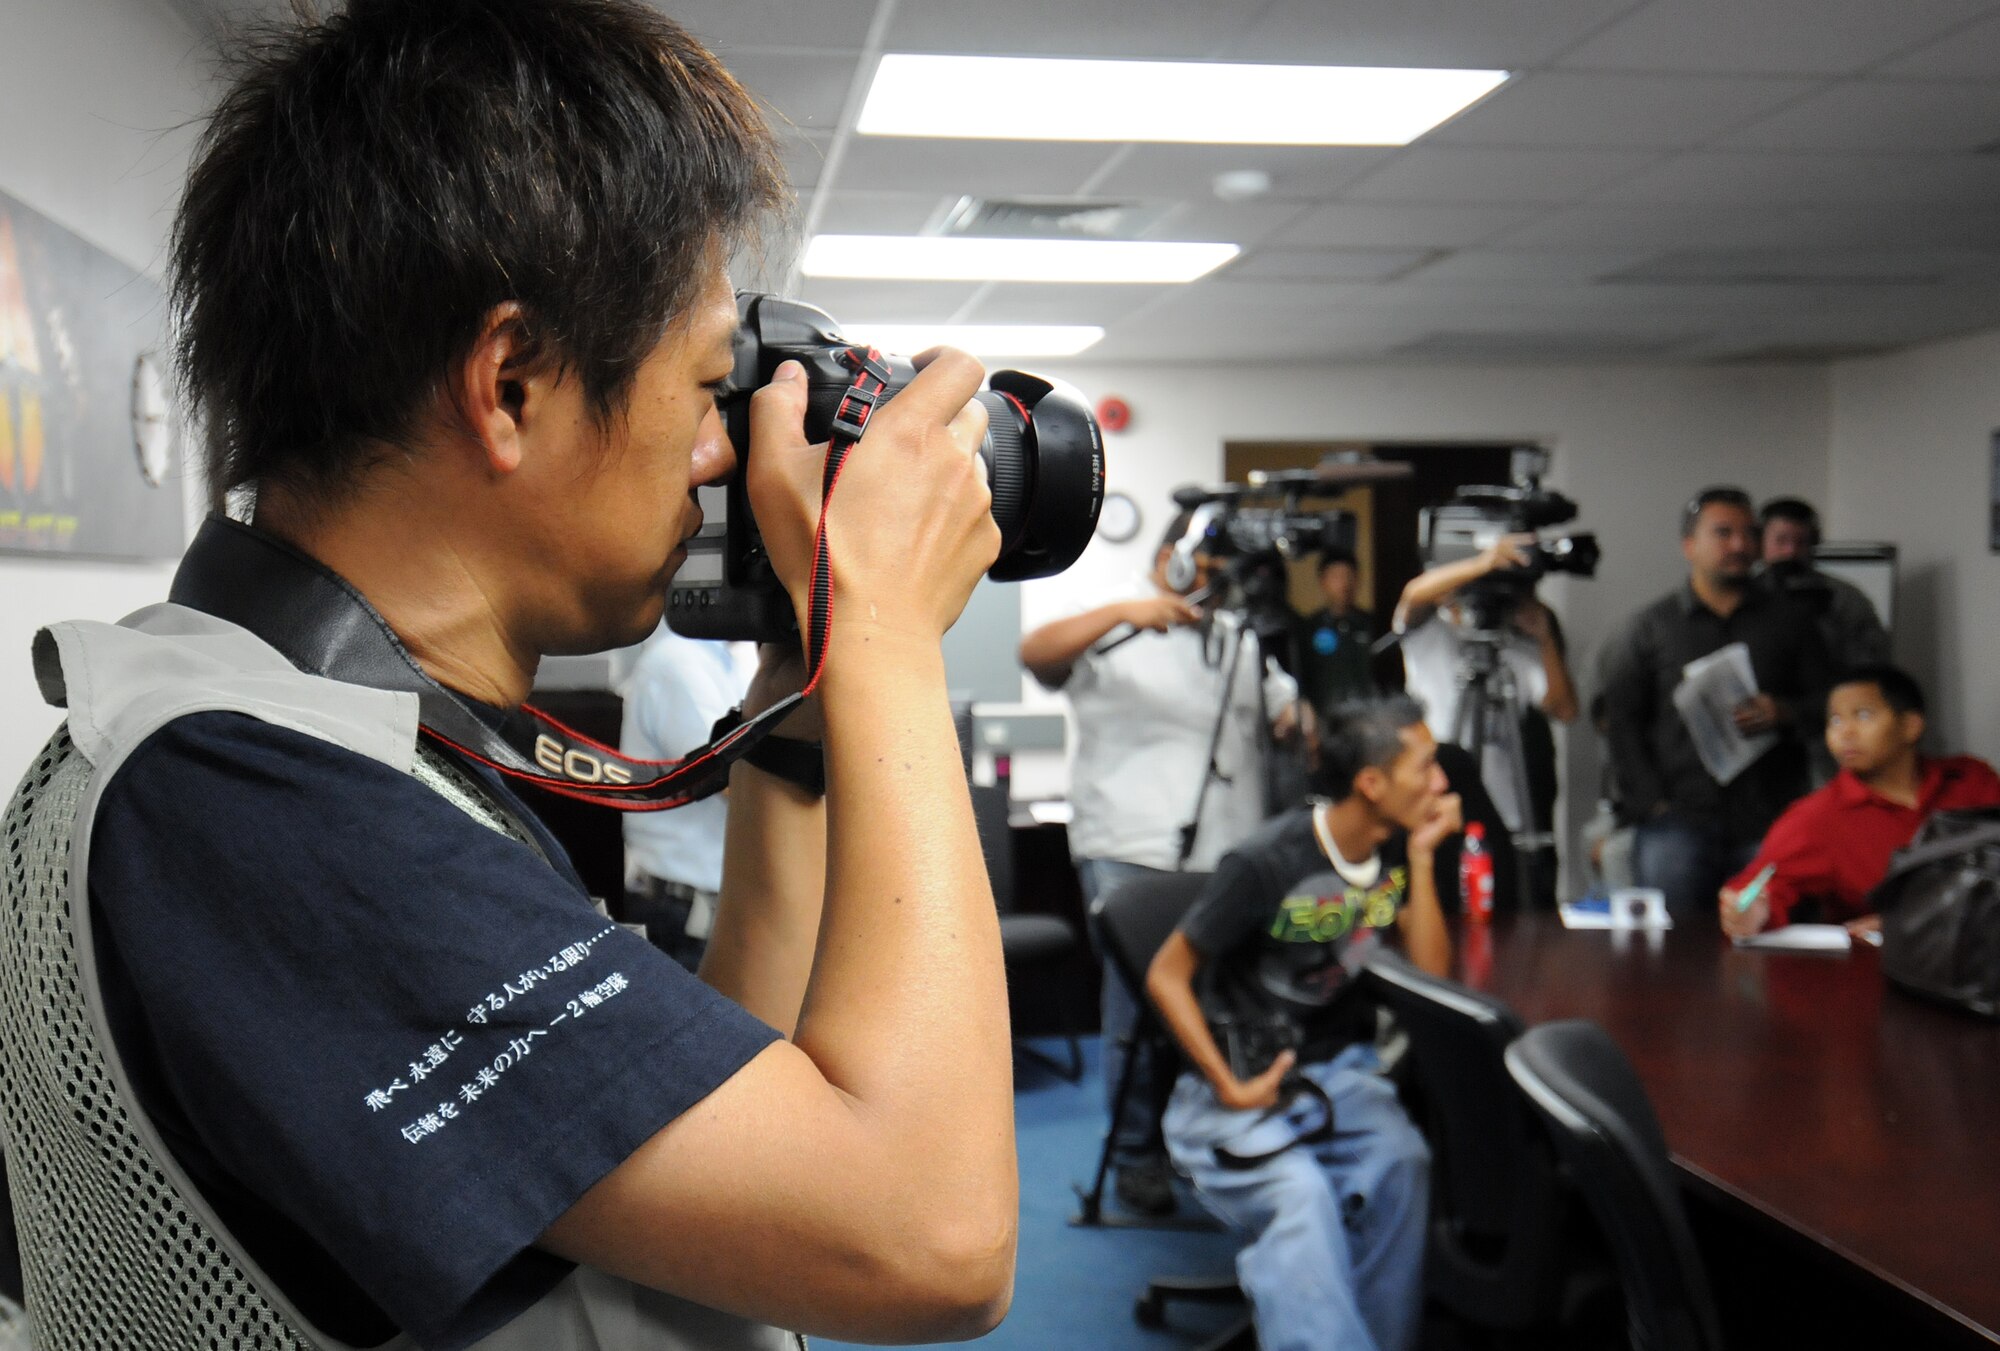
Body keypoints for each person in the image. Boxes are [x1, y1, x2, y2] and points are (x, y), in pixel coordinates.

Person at [4, 3, 1017, 1347]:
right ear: (512, 385)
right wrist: (887, 627)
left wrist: (802, 683)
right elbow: (930, 1237)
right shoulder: (247, 799)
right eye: (704, 388)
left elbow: (731, 1147)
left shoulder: (272, 733)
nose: (719, 454)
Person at [1145, 696, 1458, 1351]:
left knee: (1403, 1164)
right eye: (1425, 766)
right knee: (1302, 1198)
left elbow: (1432, 975)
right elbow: (1166, 975)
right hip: (1238, 1085)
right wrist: (1228, 1084)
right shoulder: (1264, 861)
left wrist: (1426, 857)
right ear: (1371, 783)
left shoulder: (1392, 850)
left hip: (1339, 1073)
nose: (1440, 783)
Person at [1020, 508, 1301, 1217]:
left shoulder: (1236, 636)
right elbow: (1037, 652)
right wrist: (1126, 613)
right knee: (1139, 1014)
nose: (1216, 584)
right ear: (1172, 555)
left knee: (1213, 1008)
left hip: (1227, 855)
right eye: (1206, 567)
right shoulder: (1113, 612)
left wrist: (1297, 717)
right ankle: (1136, 1154)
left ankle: (1192, 1139)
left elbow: (1284, 712)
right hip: (1133, 847)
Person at [1601, 487, 1832, 923]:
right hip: (1678, 818)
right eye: (1723, 533)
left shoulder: (1791, 622)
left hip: (1769, 817)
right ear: (1689, 545)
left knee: (1769, 942)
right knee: (1674, 945)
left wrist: (1785, 711)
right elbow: (1623, 723)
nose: (1740, 545)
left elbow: (1829, 702)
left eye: (1749, 534)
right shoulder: (1651, 627)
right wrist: (1651, 804)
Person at [1720, 666, 2000, 939]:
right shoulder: (1817, 816)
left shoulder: (1971, 780)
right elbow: (1760, 888)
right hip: (1881, 963)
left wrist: (1910, 922)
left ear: (1910, 726)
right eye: (1835, 720)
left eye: (1863, 715)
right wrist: (1750, 912)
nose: (1845, 732)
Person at [1393, 533, 1578, 904]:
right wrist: (1483, 564)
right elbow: (1414, 595)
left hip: (1503, 816)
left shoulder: (1515, 651)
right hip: (1440, 813)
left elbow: (1565, 709)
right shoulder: (1431, 637)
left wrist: (1544, 638)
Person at [618, 624, 756, 970]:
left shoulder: (727, 657)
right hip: (681, 910)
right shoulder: (679, 660)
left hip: (704, 903)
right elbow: (728, 779)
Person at [1758, 497, 1891, 675]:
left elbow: (1871, 663)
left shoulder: (1845, 598)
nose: (1791, 551)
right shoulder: (1742, 595)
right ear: (1760, 542)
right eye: (1781, 541)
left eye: (1801, 542)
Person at [1294, 547, 1377, 716]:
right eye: (1336, 577)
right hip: (1323, 717)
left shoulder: (1373, 624)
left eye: (1349, 576)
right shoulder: (1309, 628)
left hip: (1366, 716)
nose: (1344, 584)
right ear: (1323, 581)